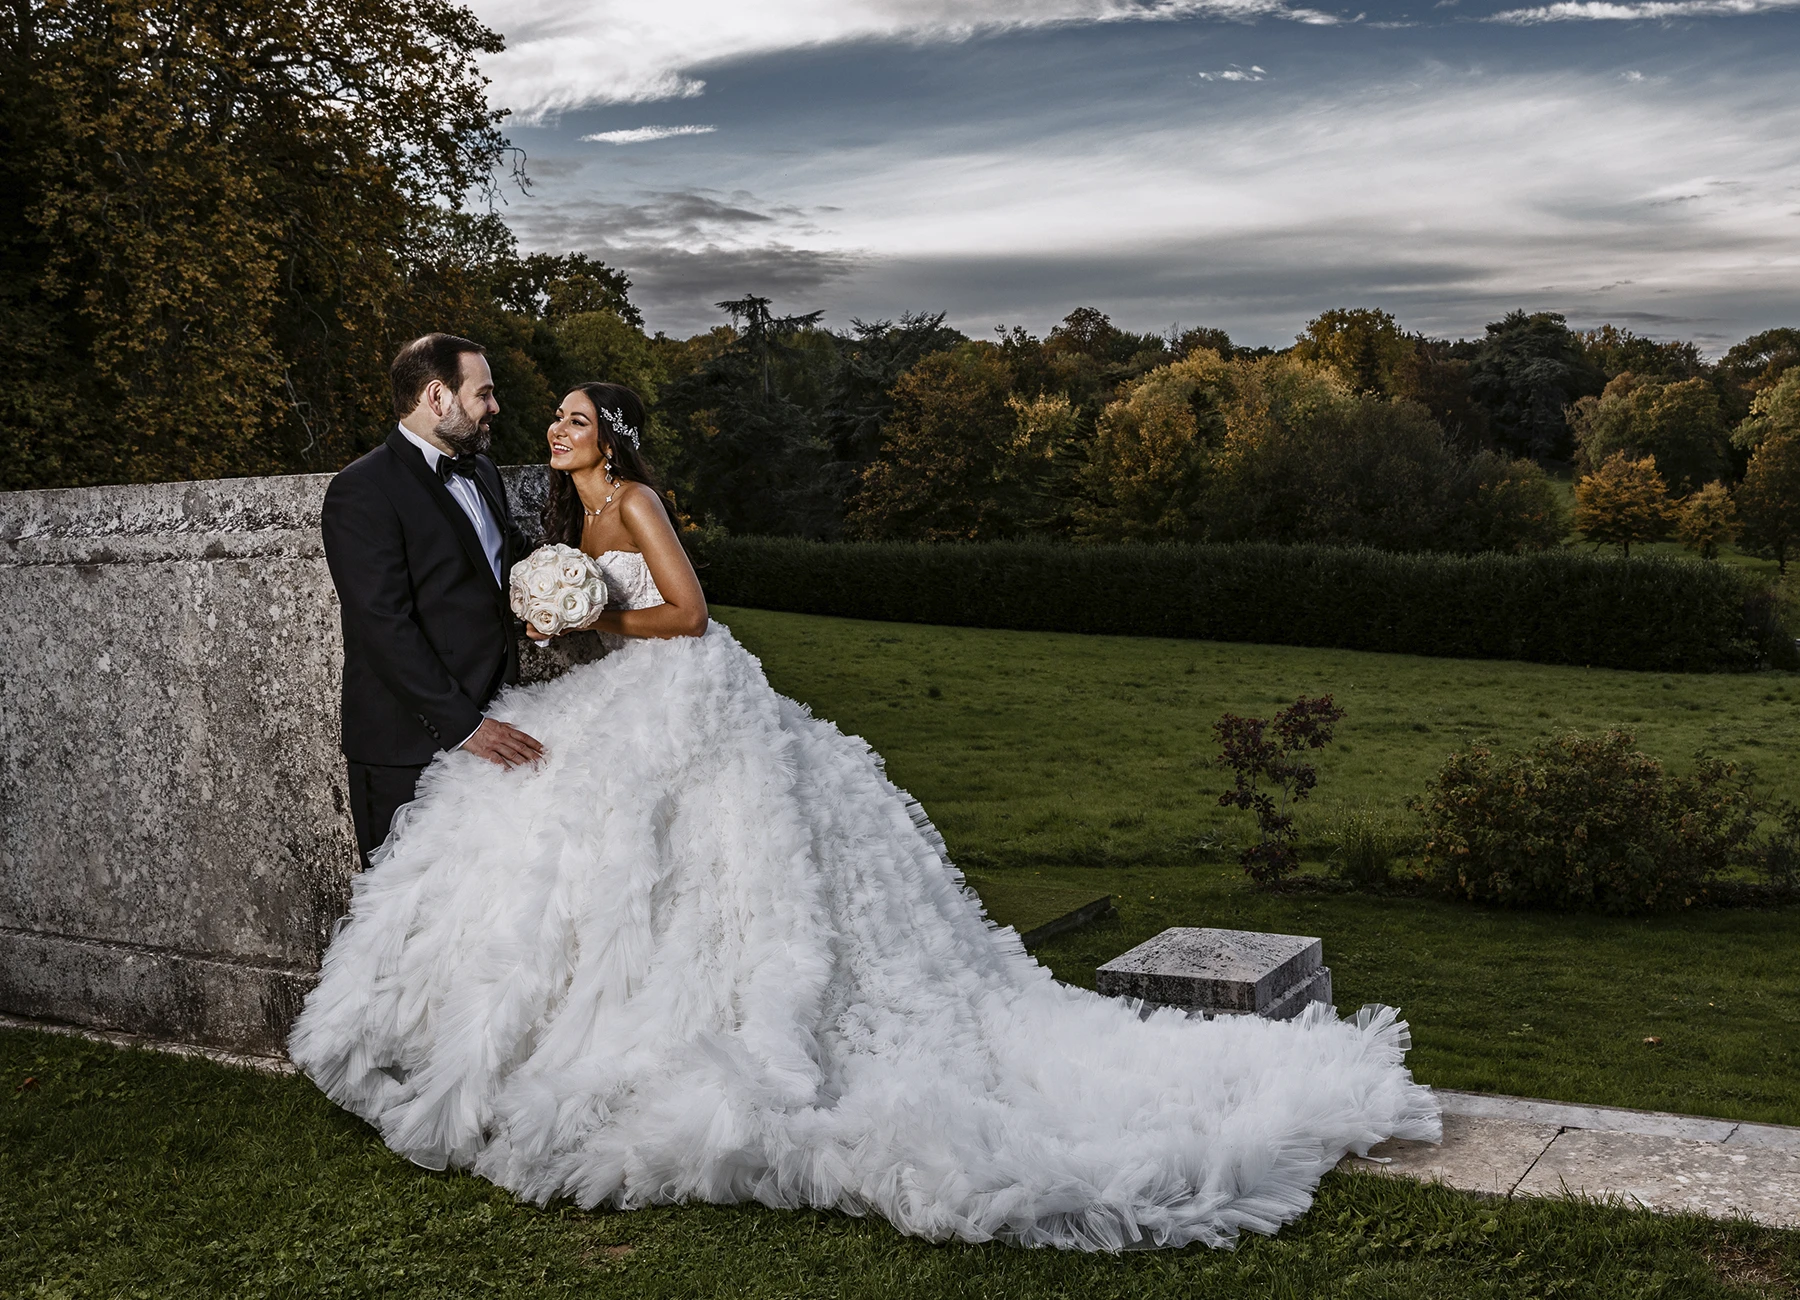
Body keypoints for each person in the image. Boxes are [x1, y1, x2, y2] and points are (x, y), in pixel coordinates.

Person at [291, 381, 1439, 1251]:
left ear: (614, 436)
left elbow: (689, 613)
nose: (556, 427)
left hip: (684, 685)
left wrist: (596, 618)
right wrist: (559, 617)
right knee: (576, 836)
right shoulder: (560, 510)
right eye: (553, 417)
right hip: (618, 691)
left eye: (576, 418)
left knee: (732, 852)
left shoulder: (633, 499)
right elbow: (583, 620)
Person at [320, 334, 545, 871]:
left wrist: (564, 589)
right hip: (407, 745)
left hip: (500, 718)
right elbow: (382, 624)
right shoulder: (361, 489)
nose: (495, 407)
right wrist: (466, 727)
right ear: (437, 397)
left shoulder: (482, 471)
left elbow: (506, 559)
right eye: (483, 394)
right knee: (403, 903)